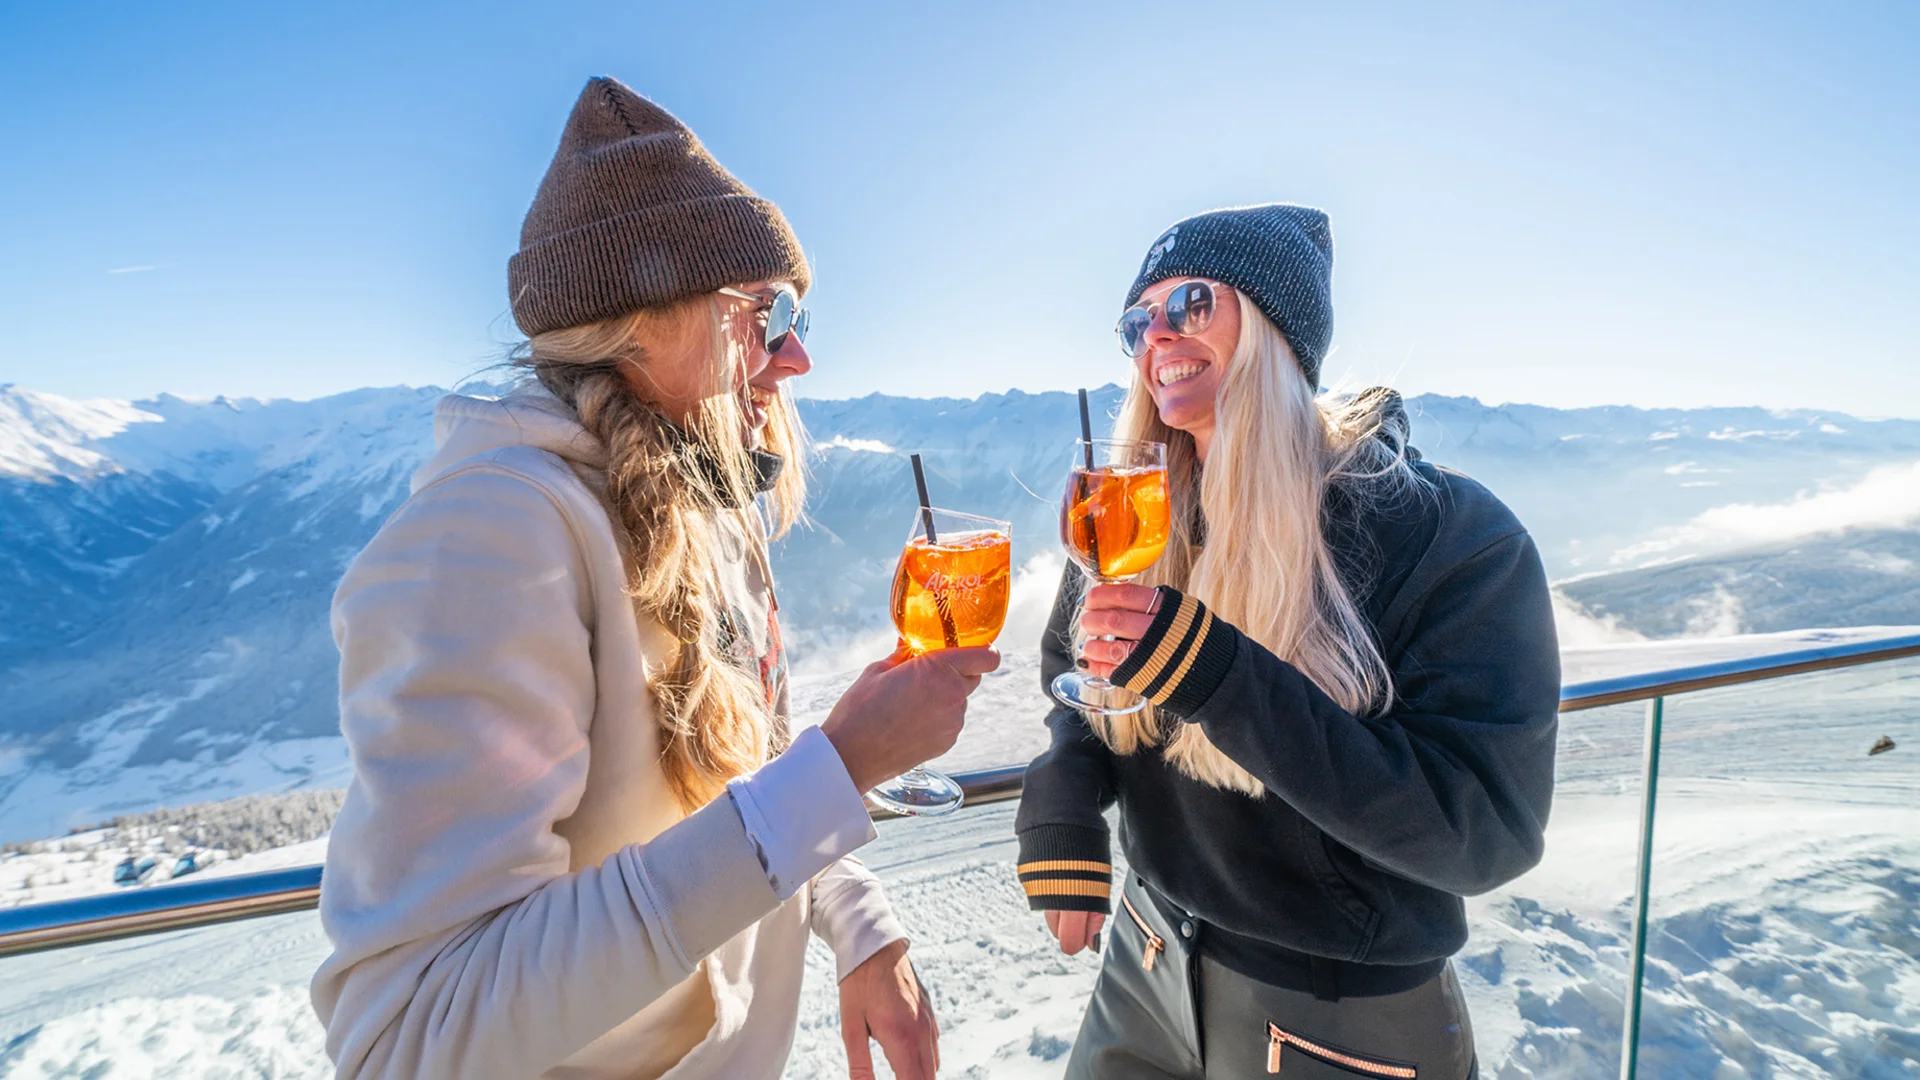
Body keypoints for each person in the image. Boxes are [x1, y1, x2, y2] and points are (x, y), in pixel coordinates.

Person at [311, 77, 996, 1080]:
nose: (797, 354)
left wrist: (857, 921)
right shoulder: (491, 538)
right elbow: (411, 1038)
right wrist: (841, 771)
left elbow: (743, 788)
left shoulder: (696, 504)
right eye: (765, 312)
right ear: (641, 323)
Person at [1015, 204, 1559, 1078]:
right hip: (1145, 958)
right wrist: (1063, 802)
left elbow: (1486, 831)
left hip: (1336, 1022)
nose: (1158, 336)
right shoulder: (1133, 506)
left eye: (1190, 302)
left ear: (1277, 331)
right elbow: (1076, 676)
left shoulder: (1446, 537)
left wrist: (1220, 679)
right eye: (1137, 320)